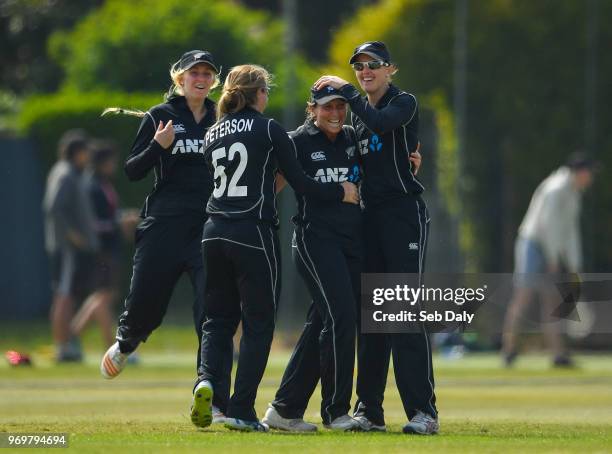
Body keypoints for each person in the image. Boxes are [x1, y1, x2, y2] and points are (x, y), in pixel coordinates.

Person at [189, 64, 360, 432]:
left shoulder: (213, 131)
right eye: (266, 90)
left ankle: (206, 382)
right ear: (258, 93)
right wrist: (340, 191)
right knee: (257, 324)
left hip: (212, 232)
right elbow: (300, 181)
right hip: (252, 233)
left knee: (217, 320)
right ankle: (242, 410)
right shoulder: (269, 129)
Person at [315, 41, 438, 435]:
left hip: (403, 214)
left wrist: (348, 93)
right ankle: (369, 409)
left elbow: (384, 123)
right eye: (358, 67)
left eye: (373, 65)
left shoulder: (404, 102)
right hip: (369, 219)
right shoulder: (356, 122)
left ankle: (423, 412)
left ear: (390, 70)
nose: (365, 72)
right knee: (373, 318)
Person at [100, 50, 219, 379]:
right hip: (164, 223)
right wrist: (157, 145)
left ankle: (207, 381)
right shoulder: (159, 115)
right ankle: (127, 342)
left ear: (213, 81)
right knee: (145, 304)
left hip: (207, 224)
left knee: (210, 304)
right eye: (194, 73)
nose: (200, 79)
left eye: (207, 73)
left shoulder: (220, 116)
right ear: (180, 78)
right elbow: (133, 171)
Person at [262, 86, 363, 432]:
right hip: (314, 240)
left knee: (321, 326)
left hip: (349, 243)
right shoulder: (295, 141)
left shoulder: (351, 137)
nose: (335, 113)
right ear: (312, 109)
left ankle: (284, 409)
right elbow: (273, 182)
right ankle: (336, 412)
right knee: (342, 317)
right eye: (326, 107)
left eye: (340, 106)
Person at [502, 152, 597, 368]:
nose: (591, 178)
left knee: (551, 299)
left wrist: (575, 265)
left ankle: (557, 354)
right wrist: (554, 259)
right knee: (524, 296)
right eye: (589, 173)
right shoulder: (556, 189)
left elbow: (570, 233)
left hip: (548, 248)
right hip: (532, 243)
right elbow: (549, 226)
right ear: (580, 172)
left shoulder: (574, 194)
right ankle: (508, 350)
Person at [71, 140, 139, 351]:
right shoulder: (92, 186)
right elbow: (91, 224)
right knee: (104, 296)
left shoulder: (101, 183)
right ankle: (113, 346)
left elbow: (107, 216)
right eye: (111, 161)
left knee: (101, 296)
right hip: (101, 249)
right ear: (102, 162)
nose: (114, 165)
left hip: (109, 247)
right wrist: (120, 222)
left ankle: (71, 337)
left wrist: (121, 218)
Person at [43, 129, 98, 362]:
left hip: (68, 248)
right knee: (63, 296)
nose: (88, 156)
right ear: (76, 152)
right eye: (85, 151)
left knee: (66, 296)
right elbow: (54, 207)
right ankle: (62, 347)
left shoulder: (73, 173)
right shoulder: (65, 173)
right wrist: (72, 235)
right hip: (65, 247)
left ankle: (67, 344)